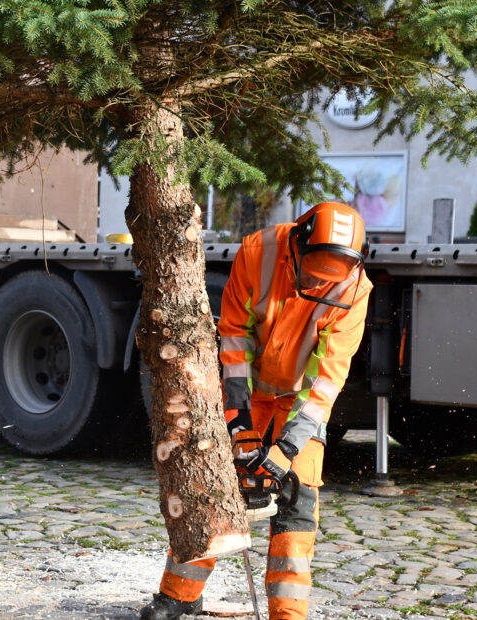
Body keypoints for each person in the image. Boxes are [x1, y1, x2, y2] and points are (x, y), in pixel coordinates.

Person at [140, 202, 373, 620]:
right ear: (298, 245)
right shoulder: (258, 252)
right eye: (312, 271)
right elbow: (234, 339)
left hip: (300, 403)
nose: (318, 283)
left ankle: (288, 612)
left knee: (299, 495)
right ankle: (180, 594)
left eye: (329, 278)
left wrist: (287, 448)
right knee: (212, 484)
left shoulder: (354, 291)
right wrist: (239, 420)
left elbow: (327, 379)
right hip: (247, 390)